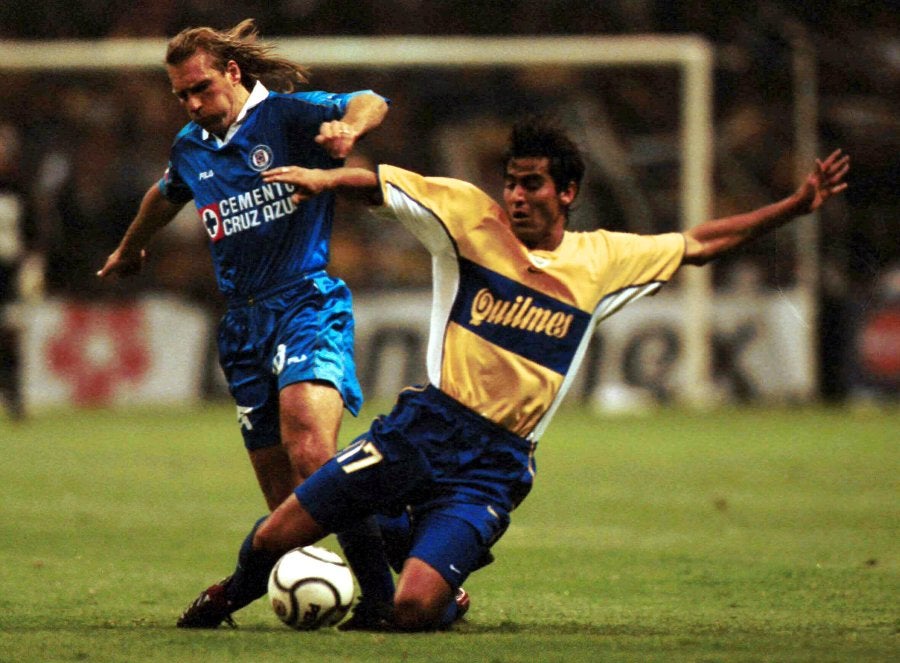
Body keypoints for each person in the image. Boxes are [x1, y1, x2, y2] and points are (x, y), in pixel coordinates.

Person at [176, 117, 850, 631]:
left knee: (413, 608)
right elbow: (380, 183)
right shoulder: (470, 218)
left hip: (493, 468)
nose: (517, 195)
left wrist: (793, 206)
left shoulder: (603, 261)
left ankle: (431, 574)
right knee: (275, 533)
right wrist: (325, 178)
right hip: (423, 429)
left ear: (567, 192)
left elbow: (700, 243)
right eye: (512, 181)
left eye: (532, 183)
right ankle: (224, 597)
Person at [96, 19, 395, 625]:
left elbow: (372, 100)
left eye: (200, 89)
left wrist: (349, 128)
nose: (192, 104)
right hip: (242, 327)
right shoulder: (191, 146)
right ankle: (415, 547)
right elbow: (165, 193)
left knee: (312, 449)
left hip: (306, 301)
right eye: (181, 95)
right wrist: (131, 248)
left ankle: (384, 601)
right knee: (291, 506)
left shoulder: (288, 117)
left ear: (233, 73)